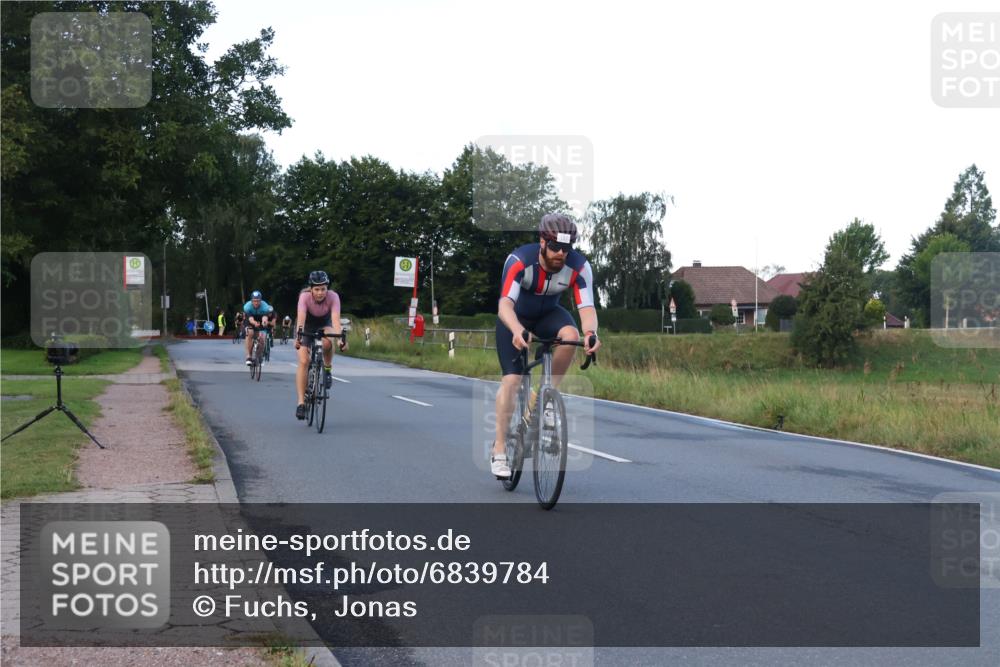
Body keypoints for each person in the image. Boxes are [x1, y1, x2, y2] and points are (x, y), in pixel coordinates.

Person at [490, 213, 601, 478]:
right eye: (554, 247)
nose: (560, 254)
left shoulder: (579, 266)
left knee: (570, 333)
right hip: (516, 318)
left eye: (566, 248)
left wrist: (591, 333)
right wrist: (517, 330)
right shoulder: (520, 261)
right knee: (513, 379)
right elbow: (505, 304)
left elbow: (587, 307)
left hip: (549, 314)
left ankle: (543, 400)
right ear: (542, 241)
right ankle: (500, 448)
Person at [294, 271, 346, 420]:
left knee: (329, 339)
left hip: (324, 324)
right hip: (306, 326)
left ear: (327, 288)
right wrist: (298, 337)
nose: (320, 293)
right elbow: (301, 320)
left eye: (323, 289)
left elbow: (336, 321)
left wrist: (341, 339)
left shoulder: (333, 297)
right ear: (311, 289)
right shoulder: (304, 297)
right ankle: (301, 403)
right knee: (304, 361)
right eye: (316, 289)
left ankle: (327, 369)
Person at [242, 290, 273, 365]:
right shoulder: (247, 306)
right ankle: (249, 356)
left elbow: (265, 317)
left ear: (261, 301)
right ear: (251, 301)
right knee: (250, 333)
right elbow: (250, 319)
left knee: (262, 338)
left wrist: (264, 322)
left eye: (258, 301)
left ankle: (259, 355)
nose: (256, 303)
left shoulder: (265, 306)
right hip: (250, 320)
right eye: (254, 301)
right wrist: (254, 323)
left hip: (260, 318)